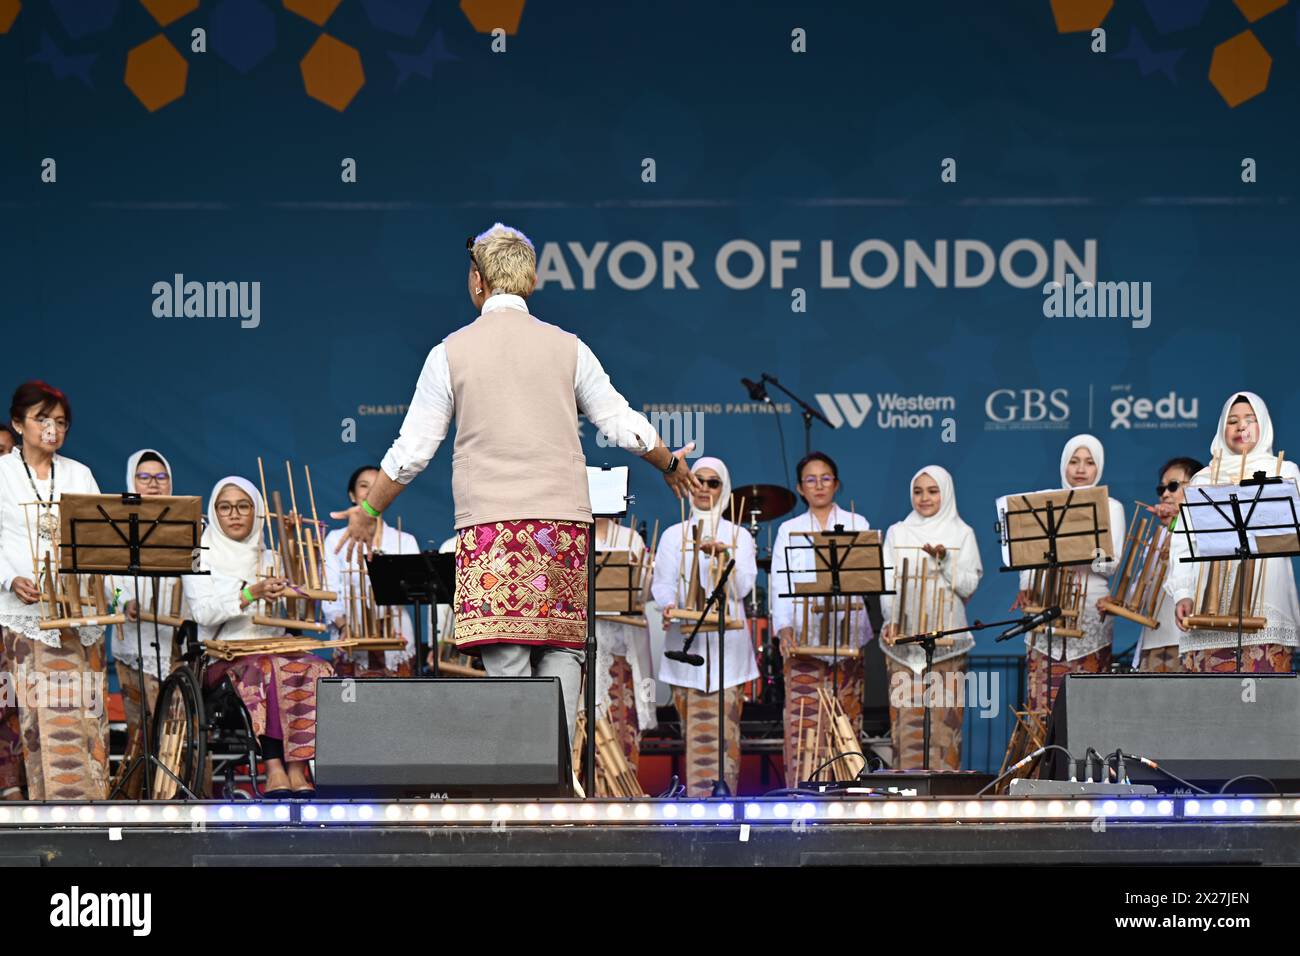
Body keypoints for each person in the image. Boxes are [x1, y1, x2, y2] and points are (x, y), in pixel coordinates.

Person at [331, 223, 698, 753]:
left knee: (507, 652)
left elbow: (412, 452)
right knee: (564, 651)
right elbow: (619, 423)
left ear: (477, 281)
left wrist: (369, 507)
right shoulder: (569, 348)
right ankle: (558, 771)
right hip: (560, 530)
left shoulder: (450, 353)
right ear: (531, 280)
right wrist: (666, 461)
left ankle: (522, 775)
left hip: (493, 532)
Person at [183, 477, 333, 797]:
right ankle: (274, 765)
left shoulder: (271, 556)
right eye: (225, 507)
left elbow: (295, 609)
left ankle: (298, 766)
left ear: (257, 512)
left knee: (317, 668)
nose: (234, 514)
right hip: (226, 657)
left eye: (243, 506)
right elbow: (203, 613)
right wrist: (250, 593)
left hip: (275, 648)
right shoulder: (199, 556)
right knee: (268, 668)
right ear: (214, 512)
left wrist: (295, 553)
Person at [0, 381, 108, 800]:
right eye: (42, 419)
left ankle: (94, 811)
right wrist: (10, 578)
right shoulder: (3, 473)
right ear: (17, 423)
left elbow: (101, 536)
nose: (52, 429)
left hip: (78, 612)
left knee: (86, 713)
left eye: (60, 422)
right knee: (42, 714)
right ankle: (53, 810)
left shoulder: (79, 473)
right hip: (27, 613)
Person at [1168, 392, 1300, 672]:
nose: (1241, 427)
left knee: (1262, 704)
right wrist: (1183, 592)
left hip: (1265, 606)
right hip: (1207, 611)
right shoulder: (1203, 479)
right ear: (1221, 428)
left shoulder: (1284, 471)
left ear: (1262, 425)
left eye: (1250, 420)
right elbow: (1183, 542)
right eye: (1233, 421)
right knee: (1210, 710)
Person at [652, 457, 758, 796]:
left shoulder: (738, 534)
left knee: (727, 737)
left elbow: (741, 589)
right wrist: (668, 604)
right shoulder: (673, 535)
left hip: (730, 655)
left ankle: (726, 810)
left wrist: (724, 558)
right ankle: (695, 810)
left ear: (723, 489)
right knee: (693, 737)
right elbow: (663, 584)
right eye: (698, 480)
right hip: (686, 650)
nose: (704, 489)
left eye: (713, 483)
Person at [769, 451, 872, 787]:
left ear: (837, 483)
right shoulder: (790, 529)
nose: (819, 485)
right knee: (804, 726)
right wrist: (784, 626)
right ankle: (804, 797)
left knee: (846, 723)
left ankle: (847, 797)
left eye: (825, 478)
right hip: (804, 639)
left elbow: (867, 580)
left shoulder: (858, 524)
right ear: (800, 488)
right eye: (810, 480)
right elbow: (779, 581)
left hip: (846, 640)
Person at [1014, 434, 1126, 711]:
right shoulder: (1044, 502)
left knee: (1087, 712)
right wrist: (1027, 586)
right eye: (1074, 461)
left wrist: (1078, 545)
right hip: (1045, 612)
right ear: (1064, 464)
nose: (1080, 469)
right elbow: (1029, 556)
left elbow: (1110, 566)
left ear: (1098, 467)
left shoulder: (1111, 507)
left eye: (1089, 462)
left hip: (1089, 615)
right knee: (1042, 711)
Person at [880, 465, 982, 770]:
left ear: (946, 493)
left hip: (948, 640)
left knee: (945, 727)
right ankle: (906, 803)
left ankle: (944, 802)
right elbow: (888, 584)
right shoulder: (898, 532)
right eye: (918, 491)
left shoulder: (962, 533)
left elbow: (968, 585)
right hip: (904, 642)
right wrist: (890, 620)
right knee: (905, 728)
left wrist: (944, 561)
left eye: (933, 491)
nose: (924, 498)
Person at [109, 448, 185, 797]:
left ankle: (175, 800)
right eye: (144, 477)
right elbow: (107, 582)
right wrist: (124, 601)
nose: (153, 484)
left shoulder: (187, 525)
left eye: (160, 477)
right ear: (131, 482)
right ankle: (132, 802)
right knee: (141, 731)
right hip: (132, 648)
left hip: (175, 647)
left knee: (176, 732)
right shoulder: (116, 527)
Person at [322, 465, 420, 678]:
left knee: (398, 705)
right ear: (352, 495)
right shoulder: (335, 540)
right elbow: (329, 593)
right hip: (351, 637)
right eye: (363, 486)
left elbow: (414, 590)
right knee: (353, 706)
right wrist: (343, 626)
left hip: (396, 635)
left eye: (377, 487)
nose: (370, 492)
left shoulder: (405, 541)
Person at [593, 516, 656, 777]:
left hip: (621, 655)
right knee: (583, 735)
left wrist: (641, 573)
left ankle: (622, 802)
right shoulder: (571, 534)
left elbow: (647, 594)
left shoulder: (632, 539)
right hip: (584, 652)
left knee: (623, 731)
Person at [1129, 456, 1202, 673]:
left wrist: (1176, 524)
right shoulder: (1157, 536)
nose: (1165, 494)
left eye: (1173, 486)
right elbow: (1144, 590)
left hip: (1186, 641)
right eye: (1162, 489)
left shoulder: (1202, 530)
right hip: (1153, 641)